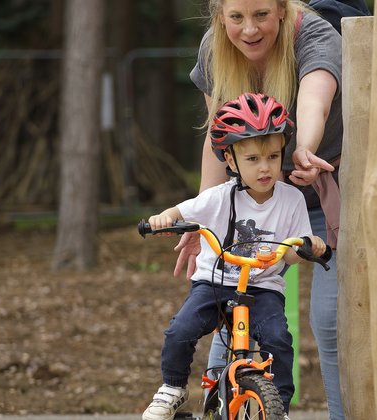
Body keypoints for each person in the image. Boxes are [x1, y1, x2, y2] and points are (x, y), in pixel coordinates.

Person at [178, 1, 348, 419]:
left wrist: (304, 149)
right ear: (220, 16)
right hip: (256, 202)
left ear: (282, 9)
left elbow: (314, 100)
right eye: (236, 17)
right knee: (232, 308)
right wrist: (203, 216)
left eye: (261, 15)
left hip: (327, 191)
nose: (249, 30)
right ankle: (221, 411)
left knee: (331, 324)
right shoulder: (215, 48)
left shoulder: (315, 36)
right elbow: (221, 141)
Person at [142, 92, 327, 420]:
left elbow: (294, 253)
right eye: (253, 159)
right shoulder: (218, 197)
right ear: (230, 161)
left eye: (272, 156)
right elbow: (179, 211)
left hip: (262, 289)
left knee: (278, 340)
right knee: (180, 330)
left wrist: (307, 244)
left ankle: (277, 407)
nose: (265, 167)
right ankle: (172, 388)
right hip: (214, 285)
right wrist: (163, 219)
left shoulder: (291, 199)